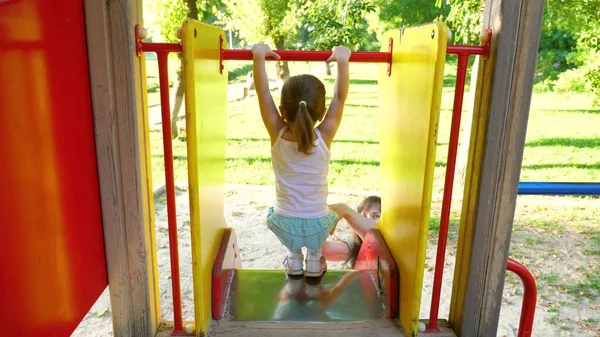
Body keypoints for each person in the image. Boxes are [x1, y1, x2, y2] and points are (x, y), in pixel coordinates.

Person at [251, 43, 351, 277]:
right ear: (321, 111)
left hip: (285, 226)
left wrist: (258, 56)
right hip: (319, 226)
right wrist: (343, 61)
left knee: (272, 212)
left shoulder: (276, 131)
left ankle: (294, 258)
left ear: (282, 111)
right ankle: (314, 259)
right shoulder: (325, 135)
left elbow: (262, 93)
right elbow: (340, 97)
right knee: (324, 216)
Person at [324, 196, 381, 268]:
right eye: (364, 216)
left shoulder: (392, 245)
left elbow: (373, 236)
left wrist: (345, 210)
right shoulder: (355, 247)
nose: (368, 220)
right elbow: (325, 250)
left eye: (376, 216)